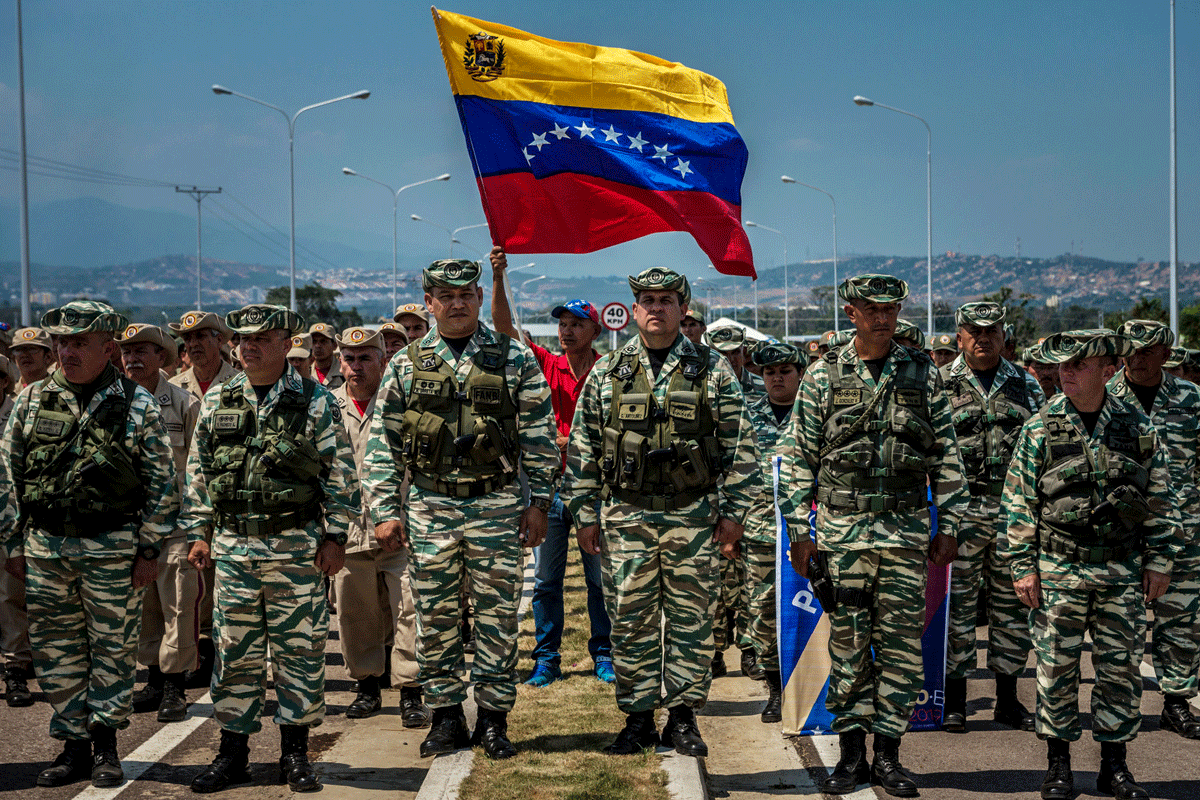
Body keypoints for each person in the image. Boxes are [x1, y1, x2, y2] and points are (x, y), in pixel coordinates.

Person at [363, 259, 559, 761]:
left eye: (466, 294)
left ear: (478, 298)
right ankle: (446, 717)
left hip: (497, 504)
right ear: (429, 303)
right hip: (430, 506)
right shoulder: (406, 364)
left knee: (498, 617)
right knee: (435, 616)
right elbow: (384, 445)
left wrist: (539, 503)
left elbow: (539, 436)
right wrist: (385, 511)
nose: (457, 304)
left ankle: (493, 720)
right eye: (446, 296)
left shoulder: (513, 357)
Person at [781, 274, 966, 797]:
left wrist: (950, 525)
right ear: (851, 312)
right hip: (843, 534)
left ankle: (888, 756)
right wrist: (798, 530)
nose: (882, 317)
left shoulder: (923, 375)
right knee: (849, 644)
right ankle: (851, 756)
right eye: (871, 309)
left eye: (890, 309)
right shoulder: (823, 375)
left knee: (901, 647)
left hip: (905, 533)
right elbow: (798, 457)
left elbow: (946, 454)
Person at [564, 267, 759, 758]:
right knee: (630, 621)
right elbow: (585, 447)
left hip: (692, 516)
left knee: (692, 621)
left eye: (666, 300)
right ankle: (637, 720)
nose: (656, 308)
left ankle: (683, 718)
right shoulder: (608, 372)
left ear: (682, 308)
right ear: (634, 310)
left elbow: (740, 447)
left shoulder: (712, 369)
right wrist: (584, 514)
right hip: (626, 516)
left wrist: (734, 514)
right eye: (647, 300)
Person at [182, 304, 360, 794]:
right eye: (243, 339)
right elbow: (199, 471)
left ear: (286, 344)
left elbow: (340, 475)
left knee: (298, 654)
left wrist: (335, 537)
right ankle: (232, 754)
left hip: (296, 550)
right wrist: (199, 531)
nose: (250, 346)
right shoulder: (220, 399)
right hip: (235, 551)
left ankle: (295, 754)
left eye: (262, 338)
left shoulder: (315, 401)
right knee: (234, 655)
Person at [1, 301, 179, 788]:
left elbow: (162, 483)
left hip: (113, 551)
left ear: (108, 347)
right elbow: (7, 477)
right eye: (61, 342)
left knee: (112, 652)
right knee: (56, 653)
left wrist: (149, 550)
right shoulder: (32, 400)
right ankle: (73, 747)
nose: (67, 352)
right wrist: (13, 544)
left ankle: (105, 746)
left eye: (79, 343)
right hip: (46, 550)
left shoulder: (136, 403)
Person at [1003, 329, 1181, 800]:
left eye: (1078, 365)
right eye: (1063, 366)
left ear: (1108, 370)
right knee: (1056, 669)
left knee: (1120, 672)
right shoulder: (1040, 427)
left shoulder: (1137, 426)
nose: (1066, 373)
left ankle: (1114, 767)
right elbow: (1018, 502)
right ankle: (1058, 765)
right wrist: (1023, 566)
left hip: (1121, 570)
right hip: (1059, 567)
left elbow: (1160, 496)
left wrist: (1160, 560)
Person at [488, 245, 613, 687]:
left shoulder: (608, 371)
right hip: (551, 489)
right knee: (545, 580)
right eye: (562, 324)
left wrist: (573, 441)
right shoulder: (545, 364)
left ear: (595, 331)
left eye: (576, 324)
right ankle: (547, 658)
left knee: (599, 579)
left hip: (594, 491)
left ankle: (604, 653)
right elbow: (504, 330)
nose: (566, 330)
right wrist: (498, 278)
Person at [939, 302, 1043, 733]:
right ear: (960, 337)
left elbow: (1042, 446)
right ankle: (955, 701)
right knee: (957, 610)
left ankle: (1007, 700)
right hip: (960, 514)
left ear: (1004, 336)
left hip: (1011, 513)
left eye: (991, 331)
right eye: (974, 331)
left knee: (1012, 609)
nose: (983, 338)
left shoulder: (1026, 384)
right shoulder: (939, 382)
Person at [330, 326, 429, 727]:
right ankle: (368, 687)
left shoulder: (402, 402)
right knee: (356, 612)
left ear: (383, 361)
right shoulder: (326, 406)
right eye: (349, 359)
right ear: (340, 363)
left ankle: (410, 692)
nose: (356, 367)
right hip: (348, 529)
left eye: (365, 358)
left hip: (400, 526)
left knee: (409, 609)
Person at [1108, 319, 1200, 740]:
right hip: (1122, 530)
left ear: (1166, 353)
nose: (1137, 358)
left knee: (1180, 617)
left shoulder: (1191, 398)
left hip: (1182, 530)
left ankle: (1176, 702)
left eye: (1147, 351)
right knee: (1120, 622)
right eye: (1131, 350)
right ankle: (1118, 706)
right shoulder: (1105, 396)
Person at [118, 324, 201, 723]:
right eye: (126, 352)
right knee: (141, 606)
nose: (132, 359)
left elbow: (200, 468)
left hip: (177, 524)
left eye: (141, 351)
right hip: (130, 524)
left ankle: (174, 686)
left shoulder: (184, 403)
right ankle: (152, 677)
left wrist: (201, 525)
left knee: (179, 605)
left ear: (161, 357)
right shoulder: (113, 403)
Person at [169, 311, 240, 690]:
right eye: (188, 339)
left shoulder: (240, 383)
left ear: (221, 340)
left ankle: (220, 654)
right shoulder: (173, 387)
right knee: (190, 585)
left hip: (227, 502)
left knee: (220, 585)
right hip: (184, 506)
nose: (193, 344)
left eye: (201, 337)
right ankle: (198, 653)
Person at [742, 342, 803, 724]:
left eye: (784, 371)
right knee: (763, 611)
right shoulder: (747, 416)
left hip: (810, 531)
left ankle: (816, 687)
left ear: (800, 373)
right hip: (761, 530)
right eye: (769, 373)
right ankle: (776, 689)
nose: (777, 378)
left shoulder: (815, 411)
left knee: (816, 608)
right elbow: (732, 471)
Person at [308, 323, 343, 391]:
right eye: (314, 341)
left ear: (334, 346)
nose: (318, 346)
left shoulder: (343, 372)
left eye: (323, 341)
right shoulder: (305, 372)